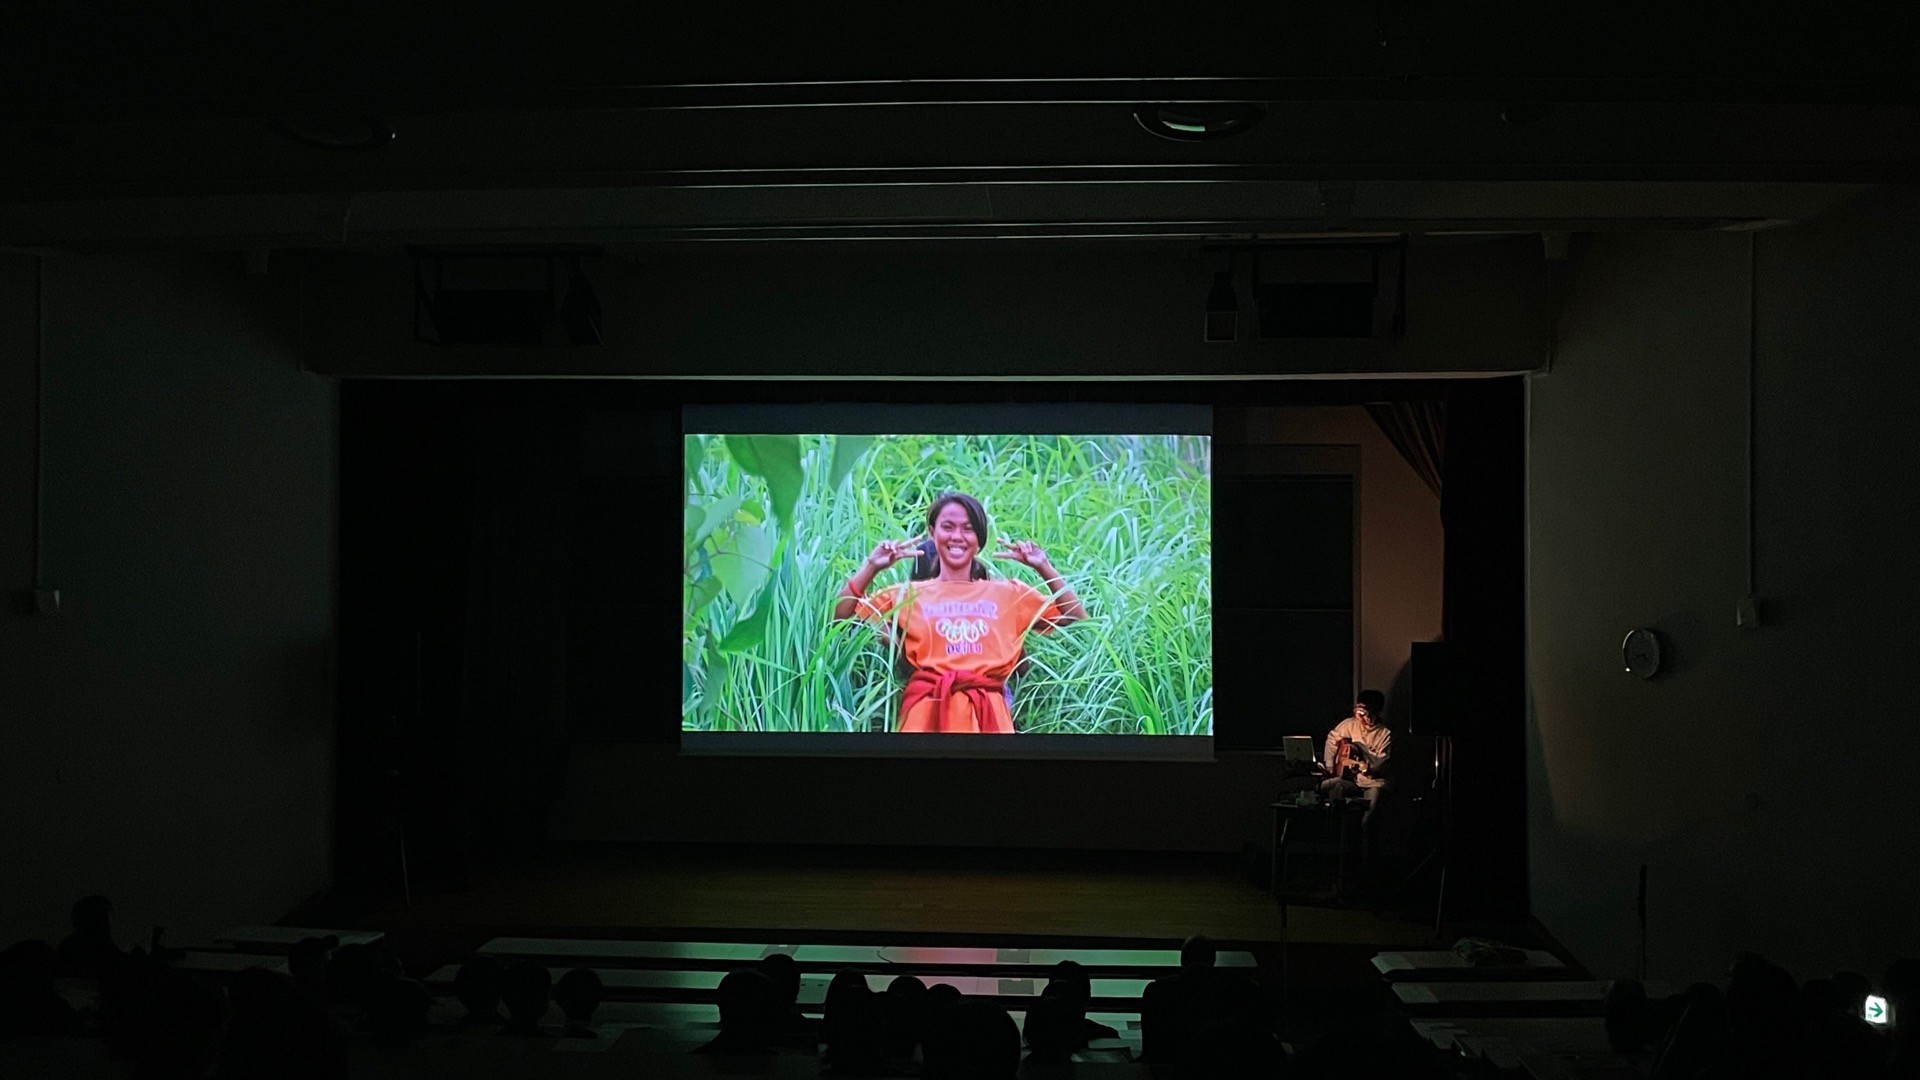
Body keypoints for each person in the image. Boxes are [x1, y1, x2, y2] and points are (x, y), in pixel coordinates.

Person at [833, 491, 1085, 733]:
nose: (957, 536)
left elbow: (1076, 617)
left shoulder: (1011, 593)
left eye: (968, 528)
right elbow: (840, 616)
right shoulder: (905, 595)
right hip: (925, 715)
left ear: (980, 538)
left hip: (988, 715)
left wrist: (1044, 566)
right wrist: (871, 567)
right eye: (948, 526)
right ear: (932, 532)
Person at [1319, 689, 1394, 847]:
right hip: (1353, 782)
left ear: (1374, 712)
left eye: (1363, 711)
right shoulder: (1349, 724)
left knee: (1367, 821)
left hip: (1375, 783)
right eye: (1357, 709)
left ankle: (1367, 859)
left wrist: (1360, 749)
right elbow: (1332, 739)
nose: (1359, 715)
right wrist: (1330, 766)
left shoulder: (1384, 734)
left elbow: (1379, 764)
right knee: (1326, 787)